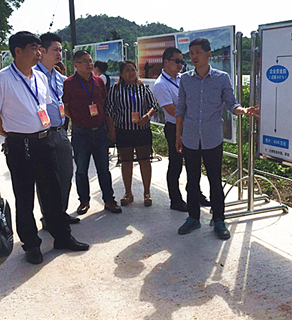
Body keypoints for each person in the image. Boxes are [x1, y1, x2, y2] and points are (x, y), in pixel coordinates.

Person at [0, 31, 89, 265]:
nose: (38, 52)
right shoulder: (1, 80)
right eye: (34, 48)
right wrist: (11, 134)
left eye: (40, 48)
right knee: (25, 197)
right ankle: (31, 244)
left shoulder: (40, 78)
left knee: (52, 191)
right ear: (18, 51)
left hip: (45, 140)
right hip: (20, 144)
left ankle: (62, 236)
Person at [175, 38, 259, 240]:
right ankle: (193, 218)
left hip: (213, 137)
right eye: (191, 53)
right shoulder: (185, 79)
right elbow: (181, 108)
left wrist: (243, 110)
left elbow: (231, 103)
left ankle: (219, 219)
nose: (194, 56)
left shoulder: (222, 78)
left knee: (215, 179)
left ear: (208, 54)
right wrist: (178, 134)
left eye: (198, 52)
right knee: (192, 180)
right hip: (190, 137)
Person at [62, 50, 122, 215]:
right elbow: (65, 106)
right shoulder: (69, 83)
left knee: (104, 168)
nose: (89, 64)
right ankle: (84, 201)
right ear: (76, 65)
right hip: (81, 133)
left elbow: (103, 102)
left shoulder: (99, 81)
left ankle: (109, 200)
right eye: (84, 61)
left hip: (100, 131)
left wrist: (109, 128)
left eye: (90, 60)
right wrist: (77, 118)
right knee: (81, 169)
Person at [152, 47, 211, 212]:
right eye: (176, 61)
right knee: (176, 164)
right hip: (175, 128)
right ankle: (175, 200)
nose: (180, 64)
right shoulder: (161, 85)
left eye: (181, 61)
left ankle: (195, 194)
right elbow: (172, 110)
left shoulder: (182, 79)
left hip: (191, 126)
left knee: (194, 163)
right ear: (166, 62)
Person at [35, 33, 79, 225]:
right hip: (42, 134)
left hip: (61, 131)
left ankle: (61, 213)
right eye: (55, 49)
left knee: (66, 174)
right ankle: (48, 217)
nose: (59, 53)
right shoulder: (32, 76)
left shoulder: (62, 79)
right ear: (42, 51)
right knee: (46, 178)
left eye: (61, 50)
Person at [106, 61, 157, 207]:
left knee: (145, 161)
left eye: (133, 70)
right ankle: (128, 193)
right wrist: (111, 129)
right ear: (121, 74)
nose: (131, 73)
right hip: (124, 131)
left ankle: (147, 193)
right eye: (127, 71)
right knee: (126, 162)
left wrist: (147, 116)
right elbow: (109, 110)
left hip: (142, 131)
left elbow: (153, 106)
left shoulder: (143, 88)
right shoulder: (115, 90)